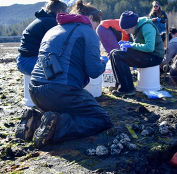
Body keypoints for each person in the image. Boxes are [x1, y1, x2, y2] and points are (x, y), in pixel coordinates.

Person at [15, 0, 113, 149]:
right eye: (96, 25)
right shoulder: (87, 31)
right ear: (91, 19)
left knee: (66, 108)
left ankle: (36, 120)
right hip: (60, 91)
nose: (95, 29)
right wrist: (103, 60)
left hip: (34, 91)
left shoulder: (54, 29)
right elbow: (93, 71)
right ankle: (56, 127)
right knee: (101, 119)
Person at [108, 11, 165, 96]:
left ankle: (128, 89)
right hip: (146, 54)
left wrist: (131, 45)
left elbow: (150, 47)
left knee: (118, 55)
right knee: (113, 53)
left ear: (133, 25)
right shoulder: (135, 28)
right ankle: (120, 85)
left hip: (155, 56)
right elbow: (139, 46)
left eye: (127, 30)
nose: (127, 33)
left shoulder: (147, 27)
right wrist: (126, 46)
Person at [16, 0, 68, 75]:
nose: (68, 15)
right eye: (67, 13)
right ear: (60, 12)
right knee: (63, 69)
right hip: (28, 60)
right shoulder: (51, 22)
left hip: (24, 59)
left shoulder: (44, 19)